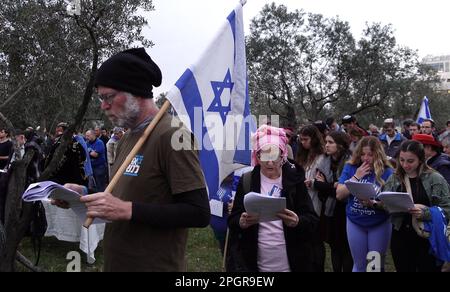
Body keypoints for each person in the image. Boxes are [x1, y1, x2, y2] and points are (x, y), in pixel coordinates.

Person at [56, 48, 210, 272]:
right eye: (101, 98)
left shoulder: (173, 135)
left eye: (108, 97)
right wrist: (82, 197)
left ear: (134, 91)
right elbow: (120, 197)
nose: (103, 106)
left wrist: (128, 210)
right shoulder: (127, 137)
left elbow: (198, 212)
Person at [228, 125, 319, 272]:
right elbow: (233, 219)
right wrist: (241, 222)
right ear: (257, 156)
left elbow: (312, 219)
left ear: (283, 155)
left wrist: (297, 221)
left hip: (293, 262)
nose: (270, 162)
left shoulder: (295, 181)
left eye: (274, 155)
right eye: (264, 156)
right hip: (255, 264)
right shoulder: (248, 181)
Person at [384, 140, 450, 272]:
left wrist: (425, 213)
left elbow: (447, 208)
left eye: (410, 161)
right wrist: (378, 203)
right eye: (401, 160)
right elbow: (386, 203)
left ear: (420, 159)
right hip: (401, 236)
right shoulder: (394, 178)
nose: (405, 165)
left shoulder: (435, 178)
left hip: (427, 238)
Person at [336, 136, 394, 272]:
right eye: (362, 154)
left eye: (370, 154)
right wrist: (356, 176)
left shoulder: (388, 172)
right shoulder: (351, 167)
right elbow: (339, 195)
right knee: (359, 265)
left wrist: (374, 203)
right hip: (355, 221)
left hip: (379, 223)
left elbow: (391, 203)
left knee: (375, 267)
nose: (365, 158)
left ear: (377, 154)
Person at [314, 131, 353, 272]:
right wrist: (333, 185)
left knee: (347, 247)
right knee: (334, 246)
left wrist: (327, 185)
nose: (327, 145)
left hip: (347, 210)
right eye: (326, 142)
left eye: (331, 142)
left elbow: (344, 192)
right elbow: (319, 186)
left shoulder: (351, 163)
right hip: (330, 210)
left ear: (341, 145)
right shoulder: (324, 161)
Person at [296, 125, 326, 271]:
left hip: (316, 201)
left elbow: (322, 181)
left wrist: (313, 182)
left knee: (316, 240)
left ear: (313, 139)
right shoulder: (302, 156)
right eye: (301, 140)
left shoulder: (321, 157)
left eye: (306, 139)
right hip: (303, 201)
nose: (303, 143)